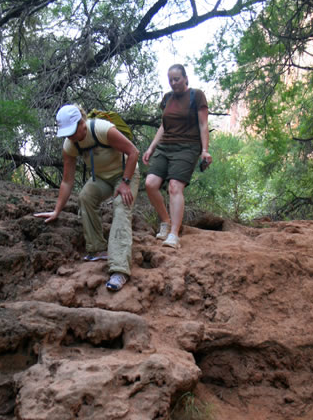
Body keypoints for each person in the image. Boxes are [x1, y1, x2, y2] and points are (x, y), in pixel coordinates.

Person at [34, 105, 140, 291]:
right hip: (101, 177)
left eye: (73, 131)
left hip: (125, 173)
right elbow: (67, 182)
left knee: (122, 206)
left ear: (82, 123)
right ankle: (97, 248)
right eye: (67, 133)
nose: (71, 136)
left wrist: (125, 182)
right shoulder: (70, 145)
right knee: (85, 197)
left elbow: (133, 152)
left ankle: (119, 270)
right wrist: (57, 210)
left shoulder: (102, 129)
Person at [142, 64, 211, 249]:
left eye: (177, 79)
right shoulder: (167, 99)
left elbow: (203, 125)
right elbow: (164, 126)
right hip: (166, 146)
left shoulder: (196, 96)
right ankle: (165, 221)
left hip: (187, 146)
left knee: (174, 186)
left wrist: (205, 150)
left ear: (185, 78)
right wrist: (151, 148)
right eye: (170, 80)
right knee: (150, 184)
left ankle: (174, 233)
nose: (173, 83)